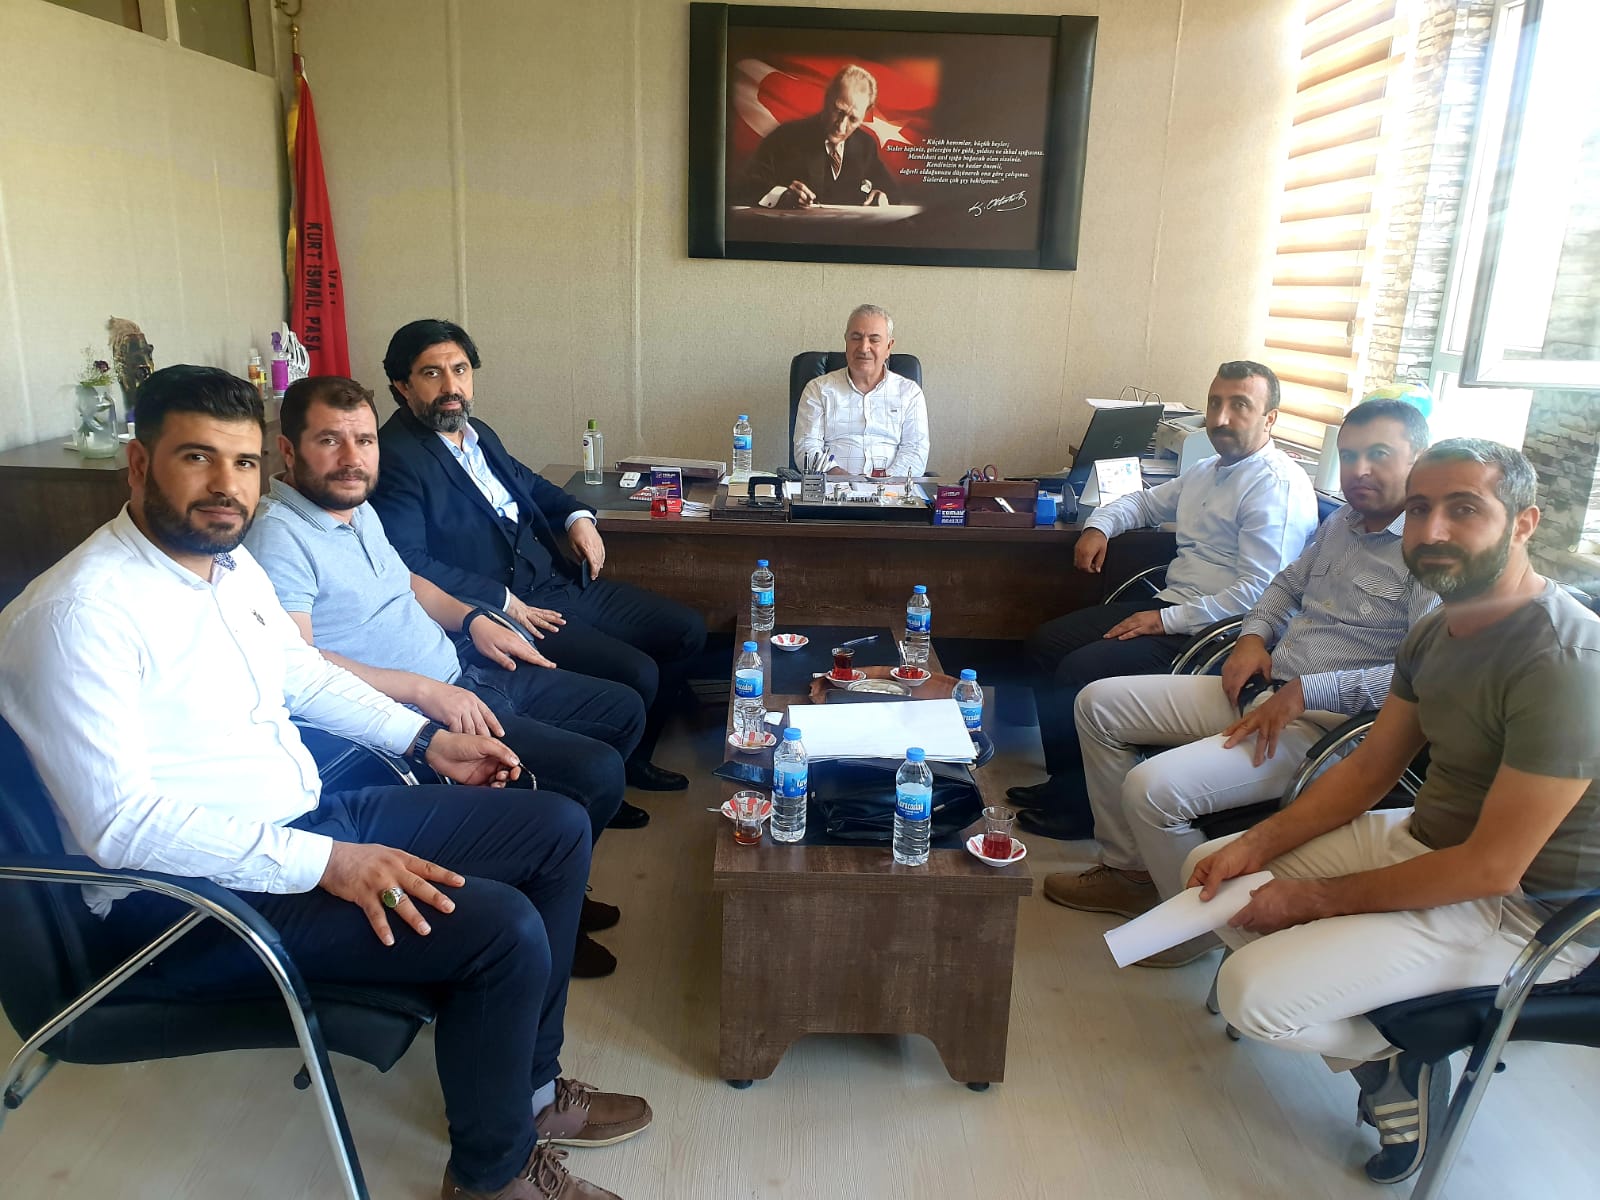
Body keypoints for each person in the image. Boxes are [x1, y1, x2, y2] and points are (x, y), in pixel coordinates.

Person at [0, 365, 650, 1200]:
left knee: (554, 826)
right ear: (138, 463)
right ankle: (492, 1177)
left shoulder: (227, 567)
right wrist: (329, 864)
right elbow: (120, 825)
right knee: (501, 929)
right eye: (196, 458)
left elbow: (301, 674)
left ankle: (528, 1091)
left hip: (302, 820)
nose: (226, 486)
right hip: (189, 903)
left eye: (241, 463)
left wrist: (426, 737)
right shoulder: (79, 614)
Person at [1184, 438, 1600, 1185]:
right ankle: (1386, 1065)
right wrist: (1259, 844)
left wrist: (1309, 900)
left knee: (1256, 996)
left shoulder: (1565, 664)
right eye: (1420, 508)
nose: (1432, 530)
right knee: (1209, 875)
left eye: (1464, 509)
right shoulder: (1436, 630)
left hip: (1523, 910)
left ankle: (1405, 1052)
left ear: (1524, 523)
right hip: (1422, 840)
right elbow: (1372, 769)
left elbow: (1492, 868)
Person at [245, 375, 651, 978]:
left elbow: (407, 581)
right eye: (330, 441)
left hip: (462, 667)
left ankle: (558, 883)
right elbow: (298, 664)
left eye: (364, 440)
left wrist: (472, 617)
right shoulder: (278, 537)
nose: (352, 458)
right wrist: (423, 691)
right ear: (288, 449)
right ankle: (549, 910)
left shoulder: (354, 507)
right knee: (593, 771)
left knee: (622, 710)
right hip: (418, 711)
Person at [1049, 399, 1438, 965]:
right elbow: (1282, 587)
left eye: (1379, 454)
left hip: (1332, 729)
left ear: (1419, 459)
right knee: (1097, 704)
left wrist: (1309, 691)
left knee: (1152, 789)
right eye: (1350, 455)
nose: (1359, 470)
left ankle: (1189, 931)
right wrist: (1254, 637)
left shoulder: (1432, 554)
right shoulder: (1343, 524)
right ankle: (1131, 873)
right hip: (1266, 690)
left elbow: (1424, 676)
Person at [371, 319, 707, 793]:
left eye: (460, 370)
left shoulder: (477, 432)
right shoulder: (395, 457)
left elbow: (529, 484)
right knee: (637, 672)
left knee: (686, 630)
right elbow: (408, 562)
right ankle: (609, 774)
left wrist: (577, 517)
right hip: (505, 608)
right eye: (432, 373)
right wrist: (503, 601)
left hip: (555, 581)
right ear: (402, 386)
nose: (451, 387)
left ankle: (631, 756)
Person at [1013, 361, 1320, 840]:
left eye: (1240, 405)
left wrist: (1165, 621)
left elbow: (1259, 596)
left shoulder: (1275, 486)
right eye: (1215, 403)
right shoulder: (1207, 470)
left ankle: (1085, 811)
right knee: (1044, 644)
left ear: (1270, 419)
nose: (1221, 417)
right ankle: (1068, 785)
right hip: (1173, 605)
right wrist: (1099, 526)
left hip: (1214, 635)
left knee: (1080, 668)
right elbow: (1141, 502)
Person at [792, 304, 929, 477]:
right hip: (832, 487)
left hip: (893, 489)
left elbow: (915, 452)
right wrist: (837, 474)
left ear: (889, 346)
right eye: (856, 338)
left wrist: (882, 482)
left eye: (874, 339)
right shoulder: (819, 390)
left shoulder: (910, 393)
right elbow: (806, 447)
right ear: (846, 342)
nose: (864, 348)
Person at [736, 64, 894, 209]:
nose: (841, 126)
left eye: (853, 119)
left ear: (865, 115)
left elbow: (892, 191)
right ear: (827, 98)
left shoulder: (866, 146)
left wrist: (881, 195)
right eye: (838, 111)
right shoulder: (784, 137)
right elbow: (743, 187)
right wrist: (782, 195)